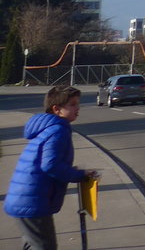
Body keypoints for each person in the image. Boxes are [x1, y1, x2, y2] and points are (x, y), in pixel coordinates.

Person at [4, 85, 99, 249]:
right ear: (57, 109)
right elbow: (50, 165)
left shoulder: (48, 129)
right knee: (45, 246)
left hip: (26, 197)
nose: (78, 108)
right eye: (73, 104)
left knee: (34, 245)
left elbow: (50, 162)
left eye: (78, 103)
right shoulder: (58, 131)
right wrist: (80, 175)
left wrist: (73, 171)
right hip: (32, 201)